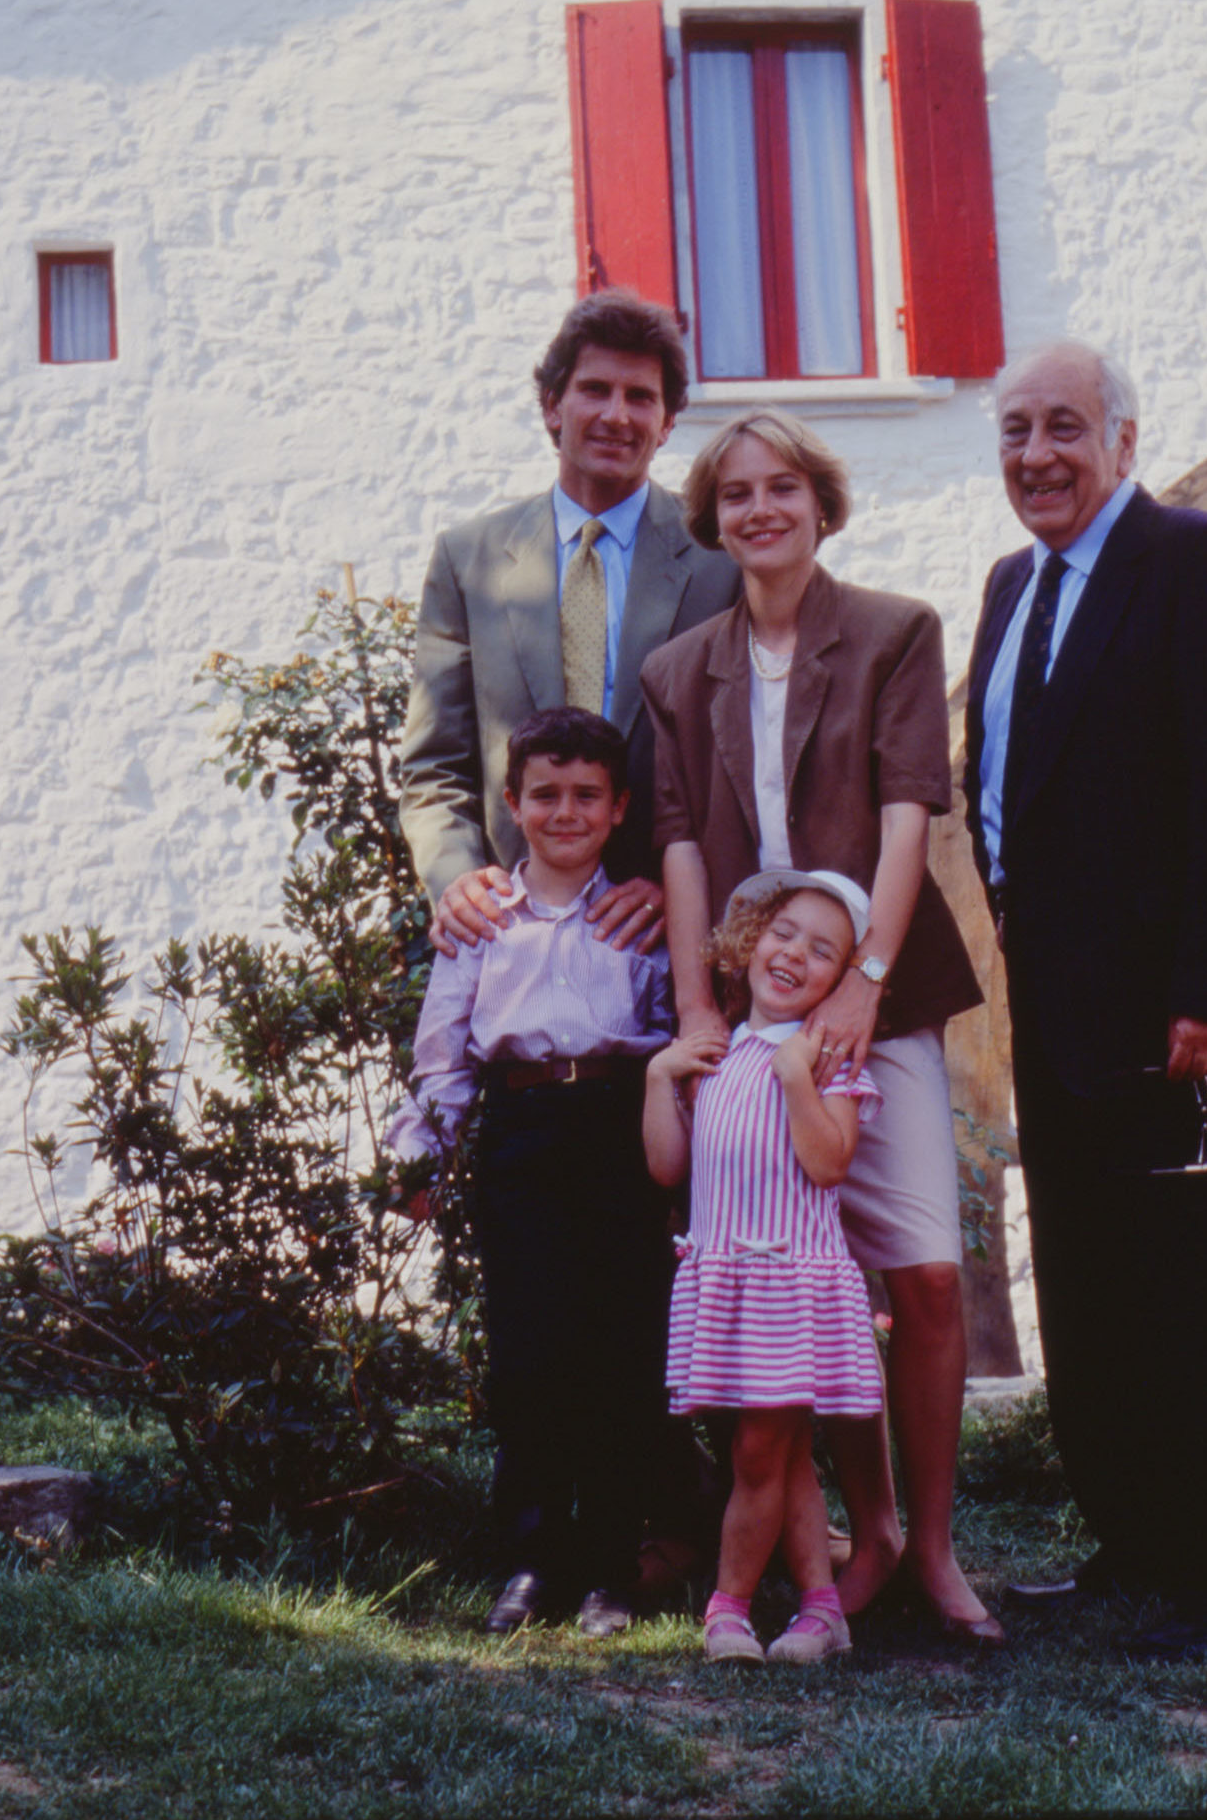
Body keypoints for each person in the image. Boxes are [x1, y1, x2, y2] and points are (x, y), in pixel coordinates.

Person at [640, 409, 1002, 1647]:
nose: (759, 509)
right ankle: (867, 1531)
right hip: (754, 1020)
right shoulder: (680, 671)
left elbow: (910, 817)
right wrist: (701, 1007)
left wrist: (870, 976)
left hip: (879, 996)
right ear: (713, 520)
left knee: (924, 1270)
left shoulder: (894, 632)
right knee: (798, 1274)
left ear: (821, 501)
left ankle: (936, 1550)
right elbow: (682, 845)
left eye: (781, 485)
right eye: (734, 493)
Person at [963, 340, 1207, 1660]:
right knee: (1096, 1291)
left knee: (1199, 1293)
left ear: (1122, 439)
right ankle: (1136, 1546)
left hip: (1172, 1019)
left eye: (1061, 427)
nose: (1035, 454)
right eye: (1013, 431)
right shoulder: (1010, 583)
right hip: (1056, 1013)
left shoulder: (1194, 559)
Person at [386, 708, 677, 1639]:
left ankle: (610, 1566)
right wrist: (419, 1157)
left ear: (617, 805)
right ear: (511, 805)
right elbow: (443, 1057)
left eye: (586, 794)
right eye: (544, 794)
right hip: (523, 1135)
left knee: (623, 1350)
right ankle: (528, 1559)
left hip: (620, 1129)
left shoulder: (639, 917)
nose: (565, 811)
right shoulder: (481, 921)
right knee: (531, 1352)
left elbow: (679, 1033)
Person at [398, 289, 741, 957]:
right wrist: (458, 880)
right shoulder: (469, 560)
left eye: (640, 397)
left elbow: (748, 765)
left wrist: (684, 889)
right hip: (512, 938)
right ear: (553, 406)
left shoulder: (719, 564)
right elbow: (435, 764)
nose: (617, 415)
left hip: (668, 939)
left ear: (668, 421)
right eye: (594, 390)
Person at [644, 870, 887, 1664]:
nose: (794, 956)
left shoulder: (826, 1057)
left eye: (823, 951)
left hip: (790, 1284)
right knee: (778, 1455)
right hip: (728, 1282)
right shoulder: (715, 1054)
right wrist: (659, 1078)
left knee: (758, 1451)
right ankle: (821, 1611)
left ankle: (729, 1609)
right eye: (783, 933)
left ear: (839, 978)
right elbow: (668, 1168)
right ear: (749, 940)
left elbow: (827, 1162)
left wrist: (794, 1079)